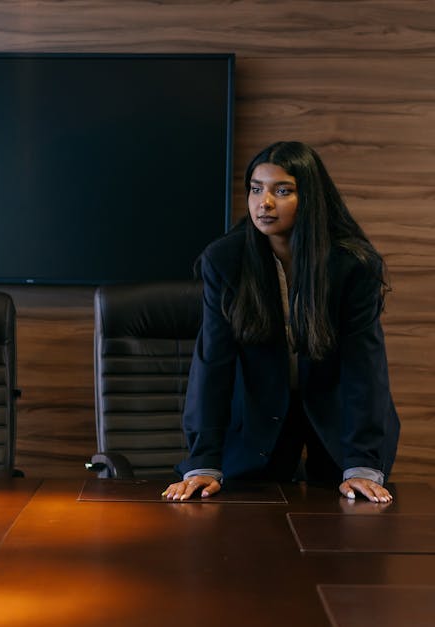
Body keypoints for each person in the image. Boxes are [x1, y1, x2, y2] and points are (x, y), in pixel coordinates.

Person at [163, 141, 400, 504]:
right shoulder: (226, 260)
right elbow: (213, 364)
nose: (265, 202)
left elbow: (364, 369)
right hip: (257, 417)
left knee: (346, 531)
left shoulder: (351, 266)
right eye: (256, 189)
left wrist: (362, 463)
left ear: (310, 199)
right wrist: (203, 461)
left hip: (340, 423)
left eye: (282, 190)